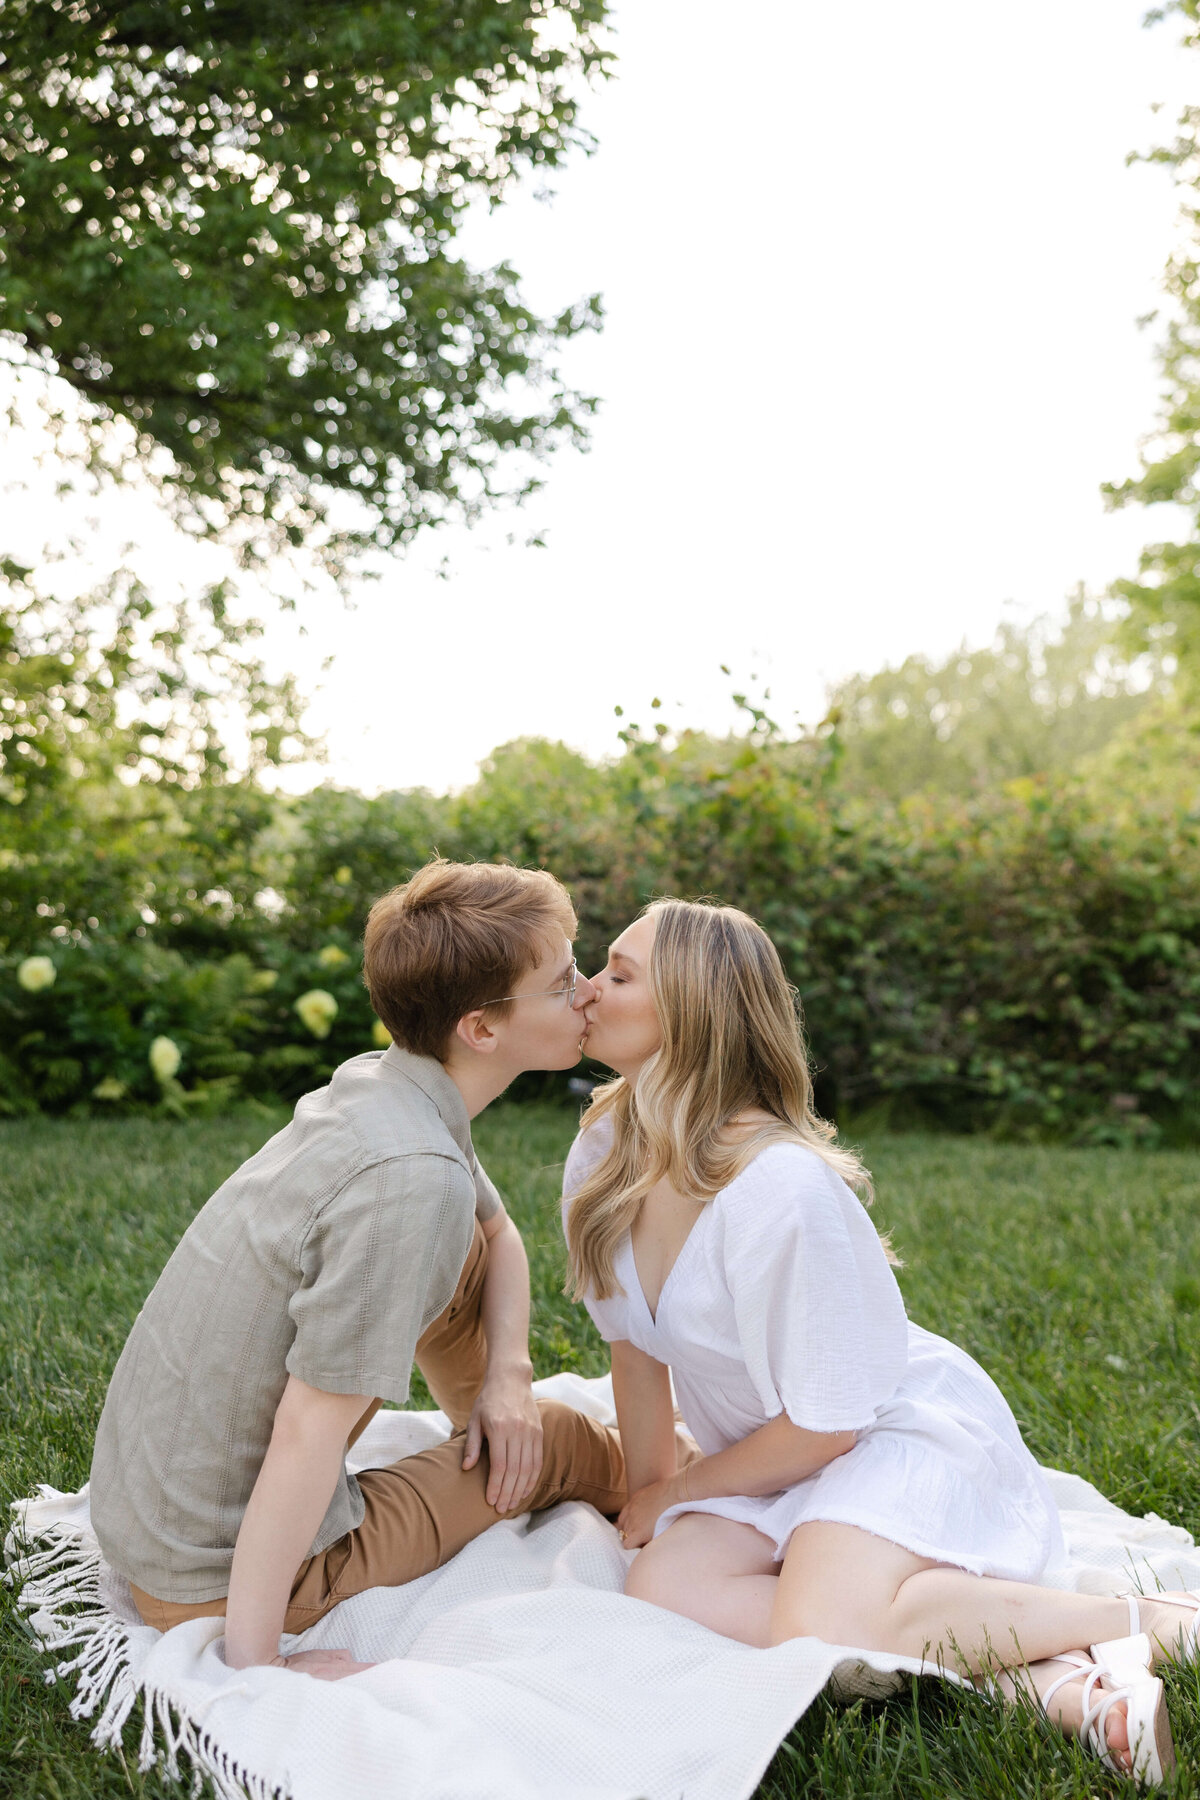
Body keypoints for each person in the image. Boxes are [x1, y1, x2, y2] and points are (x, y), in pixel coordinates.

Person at [563, 898, 1199, 1787]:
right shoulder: (603, 1151)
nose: (586, 988)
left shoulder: (780, 1188)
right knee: (664, 1588)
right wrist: (648, 1502)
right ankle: (1053, 1685)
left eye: (619, 973)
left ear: (693, 1013)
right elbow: (635, 1355)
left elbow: (830, 1429)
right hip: (766, 1456)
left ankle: (1142, 1615)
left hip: (879, 1433)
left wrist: (686, 1485)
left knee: (826, 1619)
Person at [90, 858, 629, 1681]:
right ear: (481, 1029)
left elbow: (497, 1234)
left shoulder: (386, 1086)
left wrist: (508, 1378)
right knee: (563, 1442)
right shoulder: (410, 1181)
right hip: (204, 1575)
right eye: (563, 983)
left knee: (475, 1274)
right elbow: (308, 1429)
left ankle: (490, 1438)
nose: (588, 991)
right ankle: (690, 1480)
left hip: (148, 1512)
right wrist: (258, 1659)